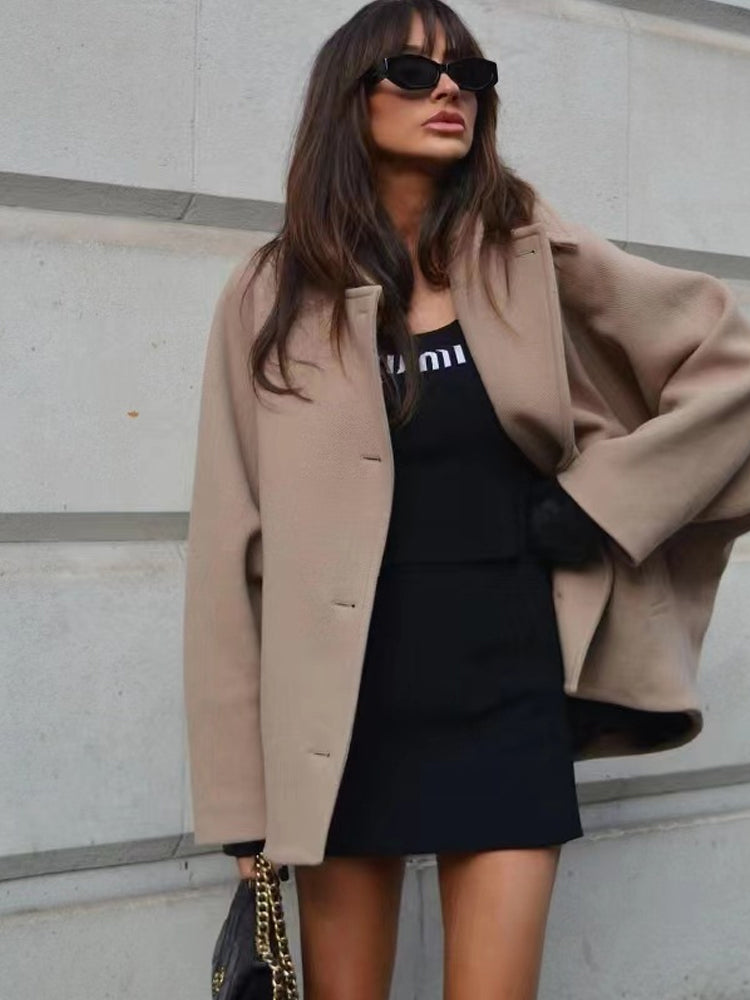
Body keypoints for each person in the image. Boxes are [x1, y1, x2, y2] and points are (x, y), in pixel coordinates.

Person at [182, 2, 750, 998]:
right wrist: (242, 807)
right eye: (412, 71)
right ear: (350, 98)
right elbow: (230, 548)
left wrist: (604, 501)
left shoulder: (528, 251)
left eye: (470, 75)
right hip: (339, 721)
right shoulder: (270, 294)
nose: (449, 89)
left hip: (507, 697)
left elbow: (731, 372)